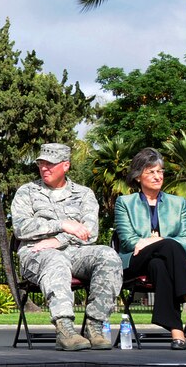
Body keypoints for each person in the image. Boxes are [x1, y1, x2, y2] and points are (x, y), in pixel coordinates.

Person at [12, 143, 123, 351]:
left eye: (50, 164)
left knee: (108, 255)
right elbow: (21, 228)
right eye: (41, 163)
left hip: (76, 252)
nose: (44, 168)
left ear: (65, 166)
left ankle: (95, 326)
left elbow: (90, 233)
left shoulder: (84, 195)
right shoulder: (27, 192)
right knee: (55, 259)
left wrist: (59, 240)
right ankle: (65, 329)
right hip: (37, 253)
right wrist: (62, 224)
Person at [114, 148, 186, 349]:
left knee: (161, 263)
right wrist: (160, 242)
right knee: (169, 246)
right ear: (138, 177)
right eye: (151, 172)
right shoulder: (125, 203)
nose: (158, 176)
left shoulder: (178, 203)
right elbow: (129, 242)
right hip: (136, 261)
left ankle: (177, 334)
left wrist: (157, 240)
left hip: (167, 262)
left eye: (160, 171)